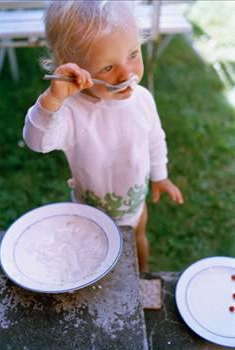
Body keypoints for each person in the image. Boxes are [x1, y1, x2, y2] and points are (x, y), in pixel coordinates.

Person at [23, 0, 184, 272]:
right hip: (89, 211)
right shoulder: (70, 112)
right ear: (75, 69)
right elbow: (37, 142)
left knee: (137, 241)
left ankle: (140, 280)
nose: (127, 72)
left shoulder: (142, 100)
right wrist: (52, 99)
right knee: (94, 259)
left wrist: (160, 176)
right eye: (108, 68)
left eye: (133, 54)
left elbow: (154, 138)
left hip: (134, 205)